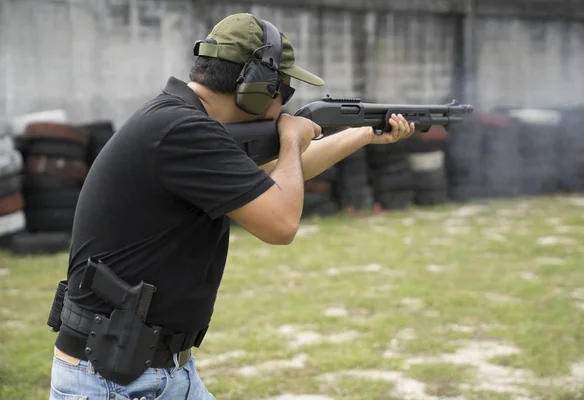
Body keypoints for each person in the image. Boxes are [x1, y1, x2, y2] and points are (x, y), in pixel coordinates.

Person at [48, 12, 415, 400]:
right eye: (284, 91)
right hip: (114, 380)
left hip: (150, 367)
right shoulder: (184, 131)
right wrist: (291, 139)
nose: (284, 104)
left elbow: (277, 177)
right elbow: (281, 223)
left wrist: (363, 134)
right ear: (256, 88)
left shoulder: (181, 121)